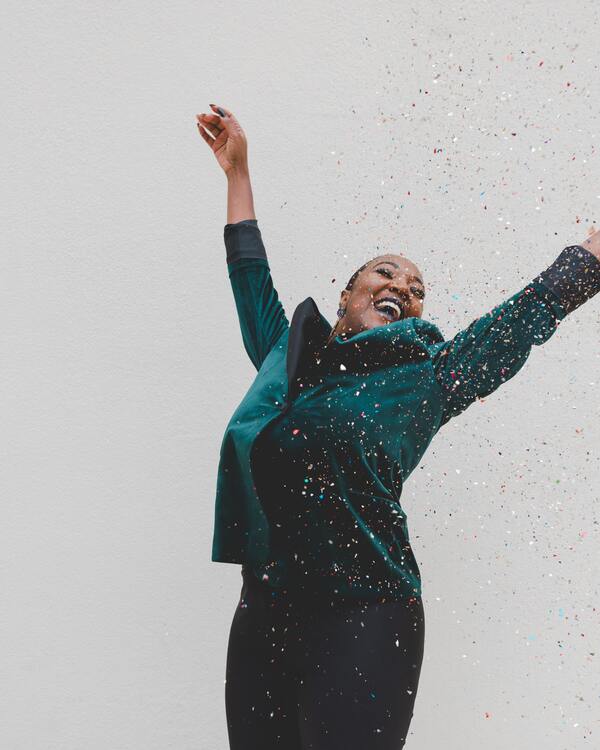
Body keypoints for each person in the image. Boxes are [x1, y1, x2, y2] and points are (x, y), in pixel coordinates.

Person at [196, 104, 600, 749]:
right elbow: (250, 278)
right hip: (265, 610)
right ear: (347, 297)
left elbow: (519, 321)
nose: (404, 287)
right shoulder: (286, 357)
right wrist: (237, 173)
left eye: (416, 287)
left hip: (365, 614)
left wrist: (591, 254)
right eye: (386, 272)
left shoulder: (428, 379)